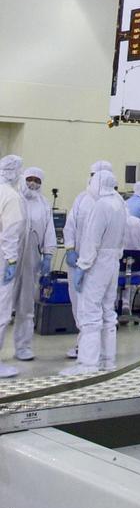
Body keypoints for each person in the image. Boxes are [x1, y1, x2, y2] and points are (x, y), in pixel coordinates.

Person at [62, 170, 127, 376]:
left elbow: (92, 240)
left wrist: (83, 265)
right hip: (113, 262)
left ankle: (87, 365)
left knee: (89, 313)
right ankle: (108, 361)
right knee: (108, 312)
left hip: (97, 263)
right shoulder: (119, 203)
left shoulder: (101, 206)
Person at [63, 160, 113, 360]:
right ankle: (83, 344)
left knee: (99, 308)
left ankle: (98, 349)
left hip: (100, 264)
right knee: (79, 305)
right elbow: (70, 225)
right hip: (78, 261)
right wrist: (69, 248)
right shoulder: (82, 199)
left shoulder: (112, 203)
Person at [11, 168, 57, 362]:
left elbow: (49, 231)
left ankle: (23, 347)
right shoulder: (13, 199)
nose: (32, 183)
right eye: (29, 179)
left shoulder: (43, 204)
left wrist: (48, 254)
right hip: (9, 256)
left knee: (26, 305)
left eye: (37, 180)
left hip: (32, 257)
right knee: (2, 305)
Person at [0, 155, 25, 378]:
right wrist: (11, 260)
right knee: (1, 310)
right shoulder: (11, 196)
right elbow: (10, 232)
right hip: (1, 257)